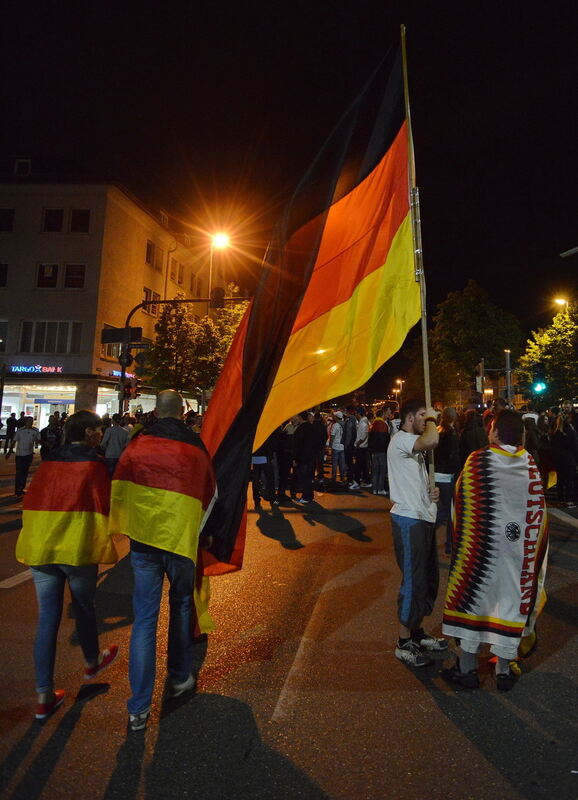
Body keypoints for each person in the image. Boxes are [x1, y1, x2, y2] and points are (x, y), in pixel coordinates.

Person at [109, 389, 217, 732]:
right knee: (182, 606)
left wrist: (127, 527)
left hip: (144, 542)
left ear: (156, 410)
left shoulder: (137, 445)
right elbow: (211, 492)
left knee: (144, 620)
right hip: (181, 542)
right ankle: (179, 677)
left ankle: (138, 707)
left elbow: (121, 487)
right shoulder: (195, 447)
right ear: (183, 412)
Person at [15, 410, 118, 720]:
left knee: (48, 618)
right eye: (98, 430)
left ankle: (45, 695)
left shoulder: (49, 462)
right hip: (76, 547)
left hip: (41, 545)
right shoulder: (95, 465)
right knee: (85, 606)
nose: (101, 435)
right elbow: (104, 504)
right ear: (88, 433)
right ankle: (91, 661)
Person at [442, 410, 548, 691]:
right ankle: (503, 670)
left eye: (491, 429)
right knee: (509, 604)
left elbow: (461, 500)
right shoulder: (529, 464)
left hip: (479, 551)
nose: (489, 433)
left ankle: (467, 670)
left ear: (497, 432)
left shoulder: (479, 460)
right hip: (516, 554)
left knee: (474, 601)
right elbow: (538, 512)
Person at [387, 399, 446, 667]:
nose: (427, 419)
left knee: (426, 578)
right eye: (423, 415)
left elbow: (415, 480)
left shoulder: (414, 447)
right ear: (410, 418)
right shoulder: (401, 439)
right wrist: (433, 420)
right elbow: (432, 440)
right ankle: (403, 643)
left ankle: (417, 633)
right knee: (413, 581)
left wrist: (430, 492)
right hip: (408, 520)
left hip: (423, 517)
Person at [434, 407, 461, 555]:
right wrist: (457, 472)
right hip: (446, 475)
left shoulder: (438, 430)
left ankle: (431, 533)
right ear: (453, 417)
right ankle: (449, 544)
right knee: (449, 510)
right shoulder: (451, 433)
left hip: (437, 473)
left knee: (444, 508)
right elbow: (453, 456)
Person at [8, 416, 41, 496]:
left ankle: (21, 487)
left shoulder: (35, 431)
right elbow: (14, 441)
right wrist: (9, 451)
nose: (30, 423)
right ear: (25, 422)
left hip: (29, 454)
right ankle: (17, 488)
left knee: (25, 471)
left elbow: (38, 440)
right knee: (19, 471)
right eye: (29, 421)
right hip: (20, 454)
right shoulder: (20, 431)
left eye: (32, 421)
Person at [292, 411, 317, 504]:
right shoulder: (311, 427)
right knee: (309, 477)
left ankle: (306, 497)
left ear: (299, 417)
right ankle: (309, 496)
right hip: (311, 456)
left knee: (304, 477)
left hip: (303, 458)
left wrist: (294, 458)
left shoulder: (300, 429)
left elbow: (297, 445)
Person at [100, 412, 130, 477]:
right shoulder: (125, 432)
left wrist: (106, 448)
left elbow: (103, 443)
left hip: (109, 454)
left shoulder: (109, 430)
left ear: (112, 420)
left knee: (109, 475)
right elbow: (127, 445)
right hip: (120, 455)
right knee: (118, 475)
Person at [368, 407, 390, 495]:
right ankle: (380, 489)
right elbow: (385, 439)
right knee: (382, 471)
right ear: (382, 415)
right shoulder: (384, 425)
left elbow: (370, 439)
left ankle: (375, 489)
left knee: (375, 470)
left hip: (374, 451)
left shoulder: (372, 425)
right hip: (382, 451)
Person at [350, 406, 371, 489]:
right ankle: (367, 481)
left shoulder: (363, 423)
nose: (355, 415)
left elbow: (363, 436)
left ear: (359, 413)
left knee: (358, 466)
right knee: (363, 466)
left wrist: (357, 444)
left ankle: (357, 482)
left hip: (361, 448)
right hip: (363, 447)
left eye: (356, 413)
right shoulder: (363, 422)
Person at [330, 411, 346, 482]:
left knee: (334, 463)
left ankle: (333, 478)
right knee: (342, 463)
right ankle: (342, 477)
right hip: (342, 447)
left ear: (336, 417)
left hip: (336, 446)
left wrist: (330, 445)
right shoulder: (345, 424)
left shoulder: (335, 425)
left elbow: (332, 436)